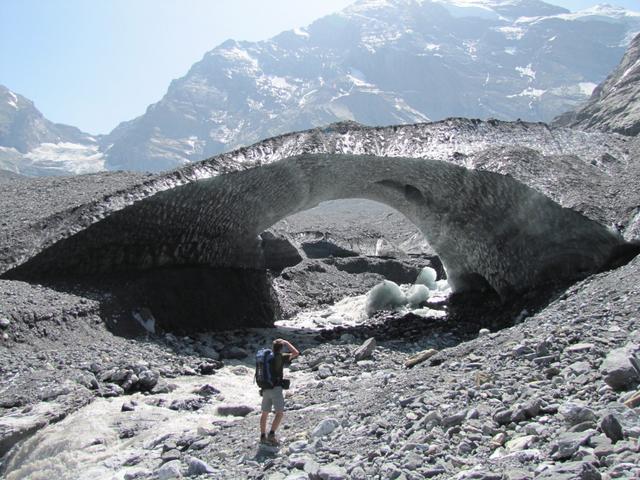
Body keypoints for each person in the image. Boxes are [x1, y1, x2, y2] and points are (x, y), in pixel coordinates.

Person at [260, 338, 299, 446]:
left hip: (265, 388)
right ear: (281, 348)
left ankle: (263, 436)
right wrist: (287, 342)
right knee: (279, 413)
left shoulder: (266, 358)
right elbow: (296, 353)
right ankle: (271, 434)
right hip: (276, 388)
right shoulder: (281, 357)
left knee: (264, 413)